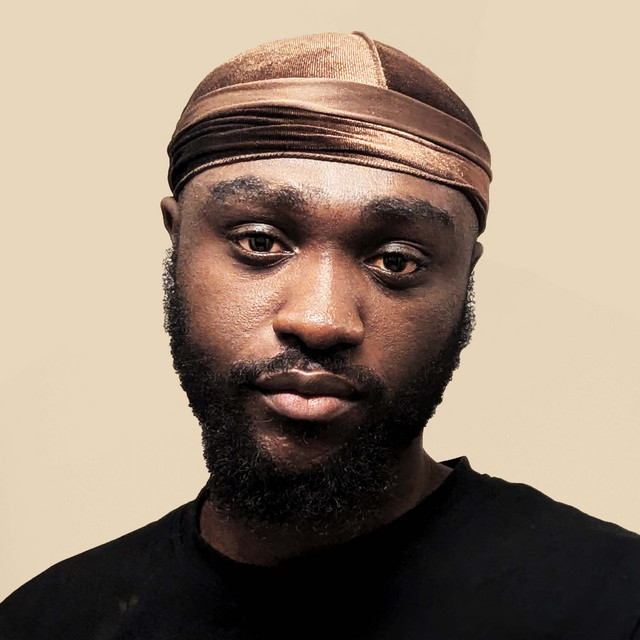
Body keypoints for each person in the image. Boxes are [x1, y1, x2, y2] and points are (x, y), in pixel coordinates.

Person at [1, 31, 639, 640]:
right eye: (260, 242)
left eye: (396, 260)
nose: (321, 320)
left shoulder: (614, 605)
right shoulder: (47, 624)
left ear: (464, 277)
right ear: (179, 240)